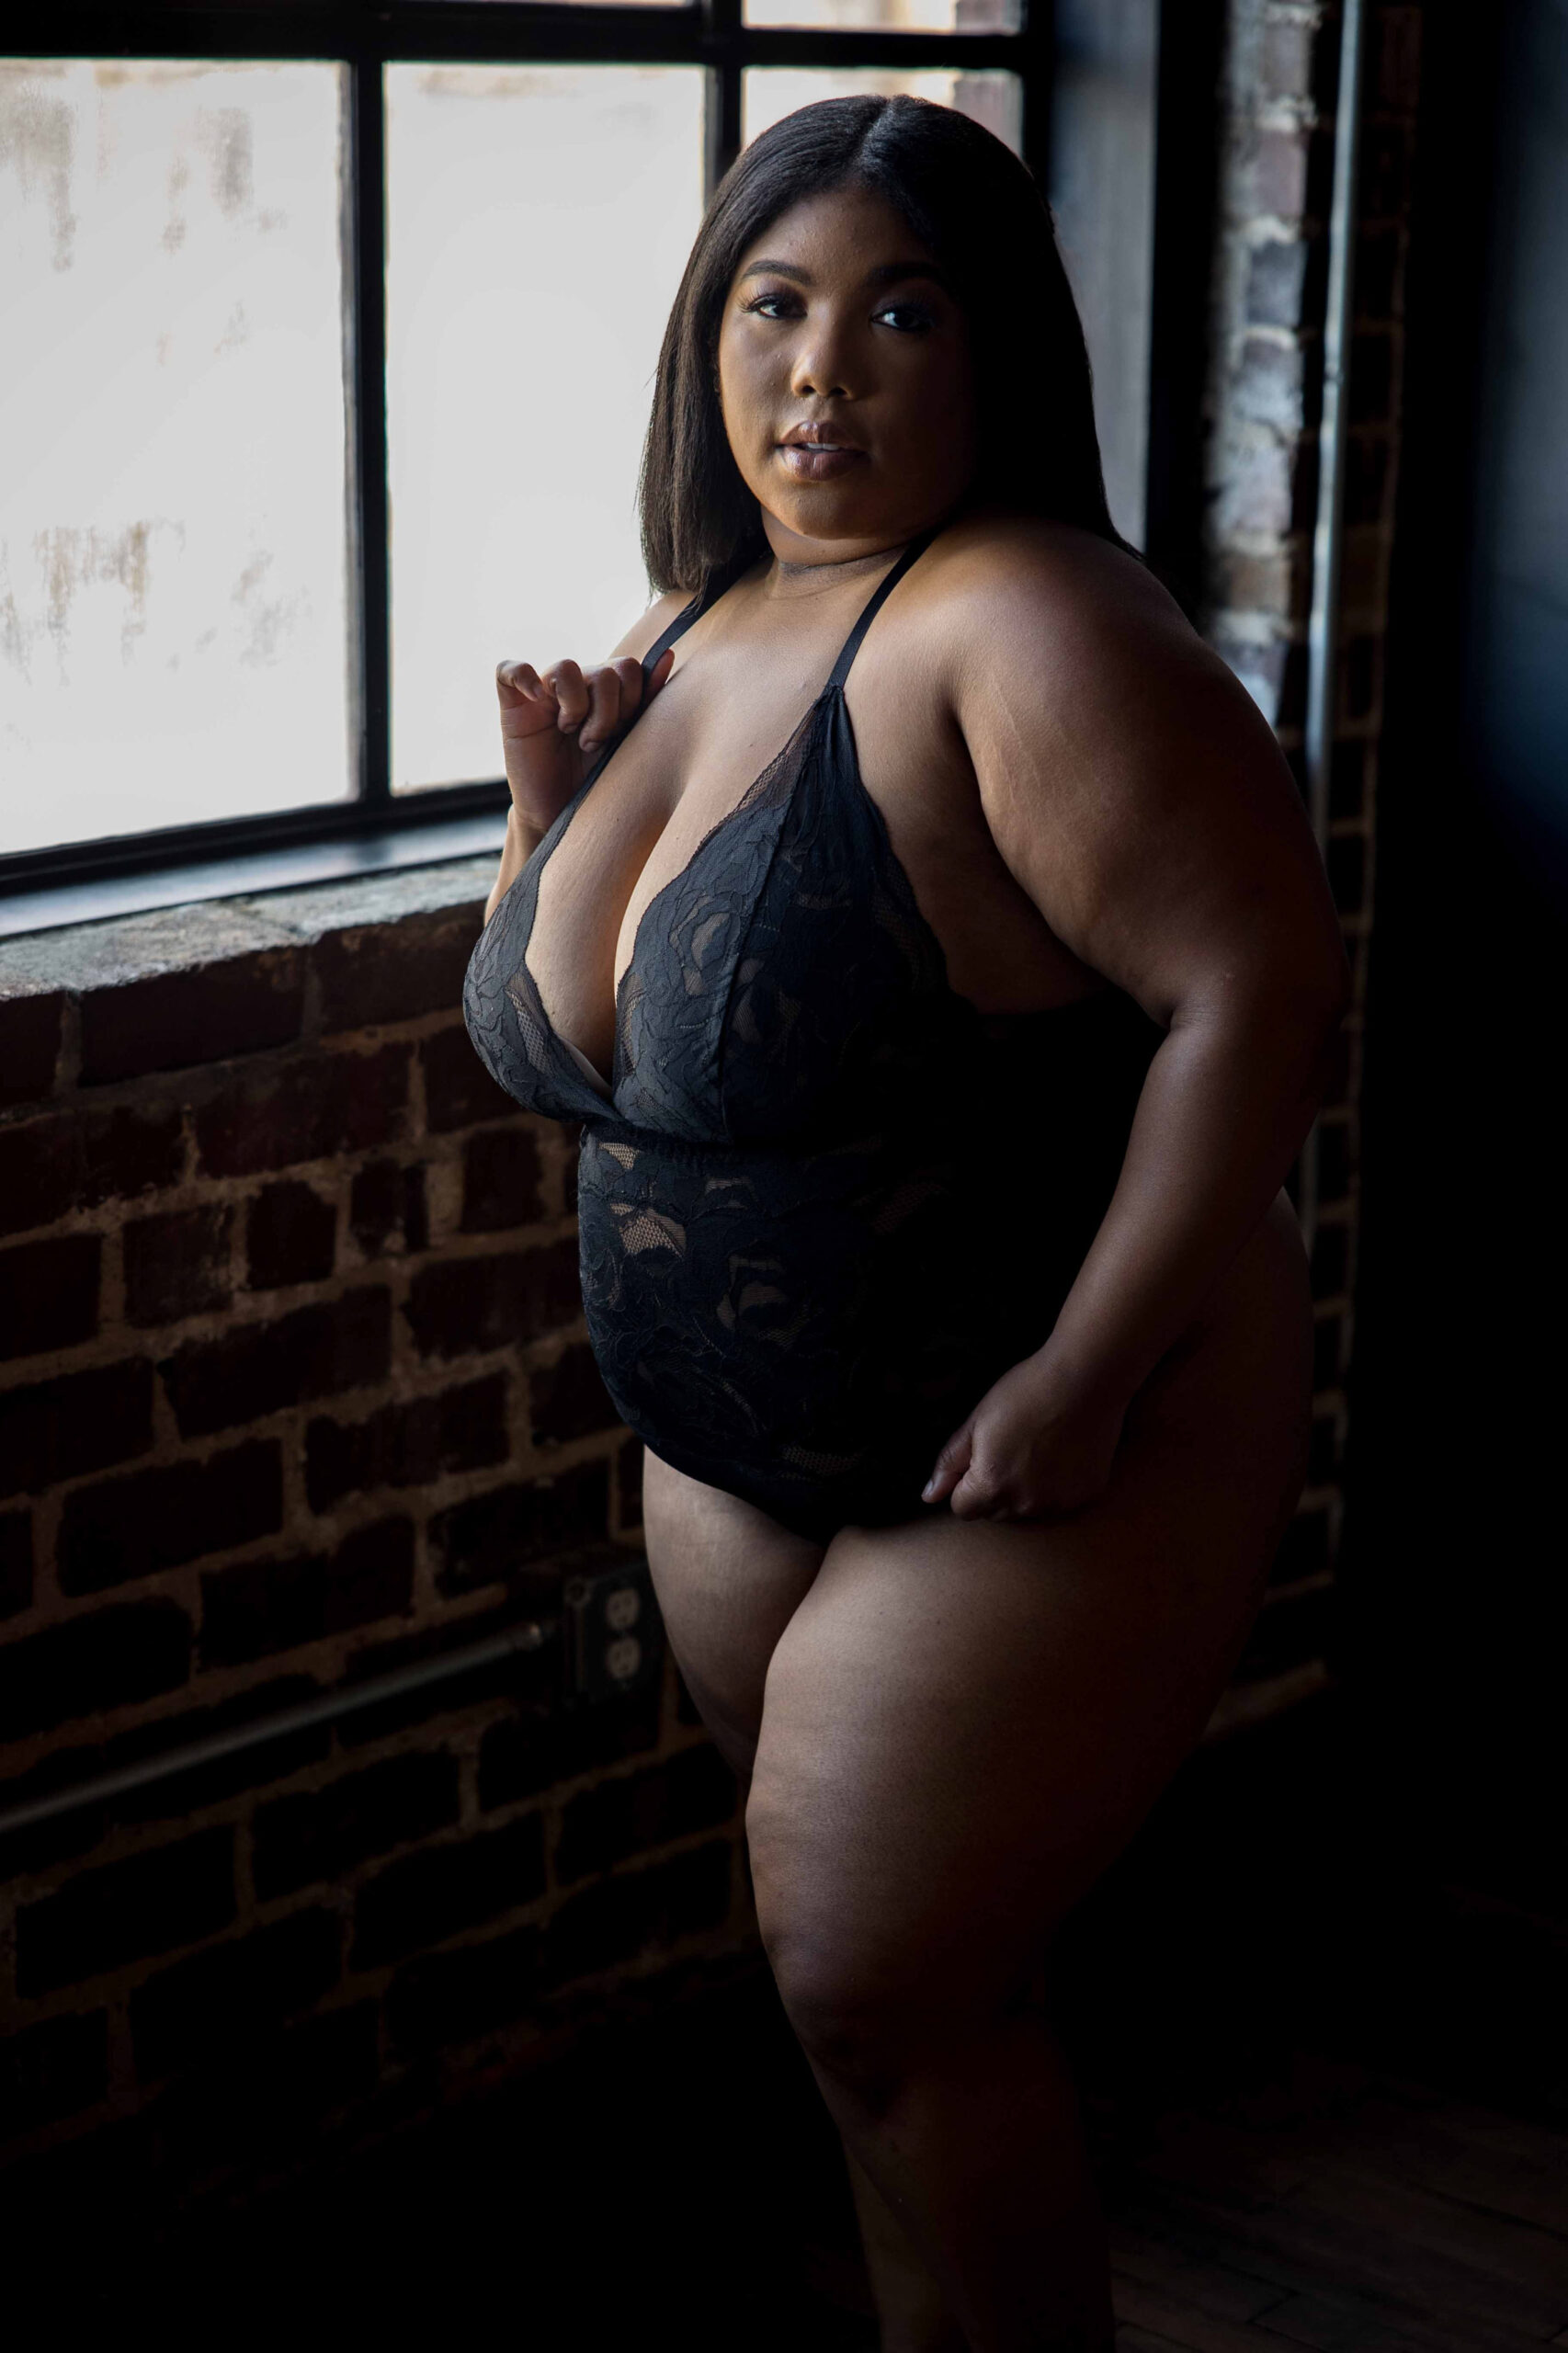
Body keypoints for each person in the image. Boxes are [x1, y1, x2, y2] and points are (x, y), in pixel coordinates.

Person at [463, 95, 1348, 2353]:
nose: (818, 372)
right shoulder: (701, 620)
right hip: (741, 1457)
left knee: (880, 1986)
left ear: (995, 352)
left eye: (898, 313)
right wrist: (546, 827)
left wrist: (1088, 1369)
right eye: (774, 305)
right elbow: (603, 1033)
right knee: (892, 2029)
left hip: (1031, 1419)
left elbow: (1257, 989)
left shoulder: (1025, 617)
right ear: (708, 339)